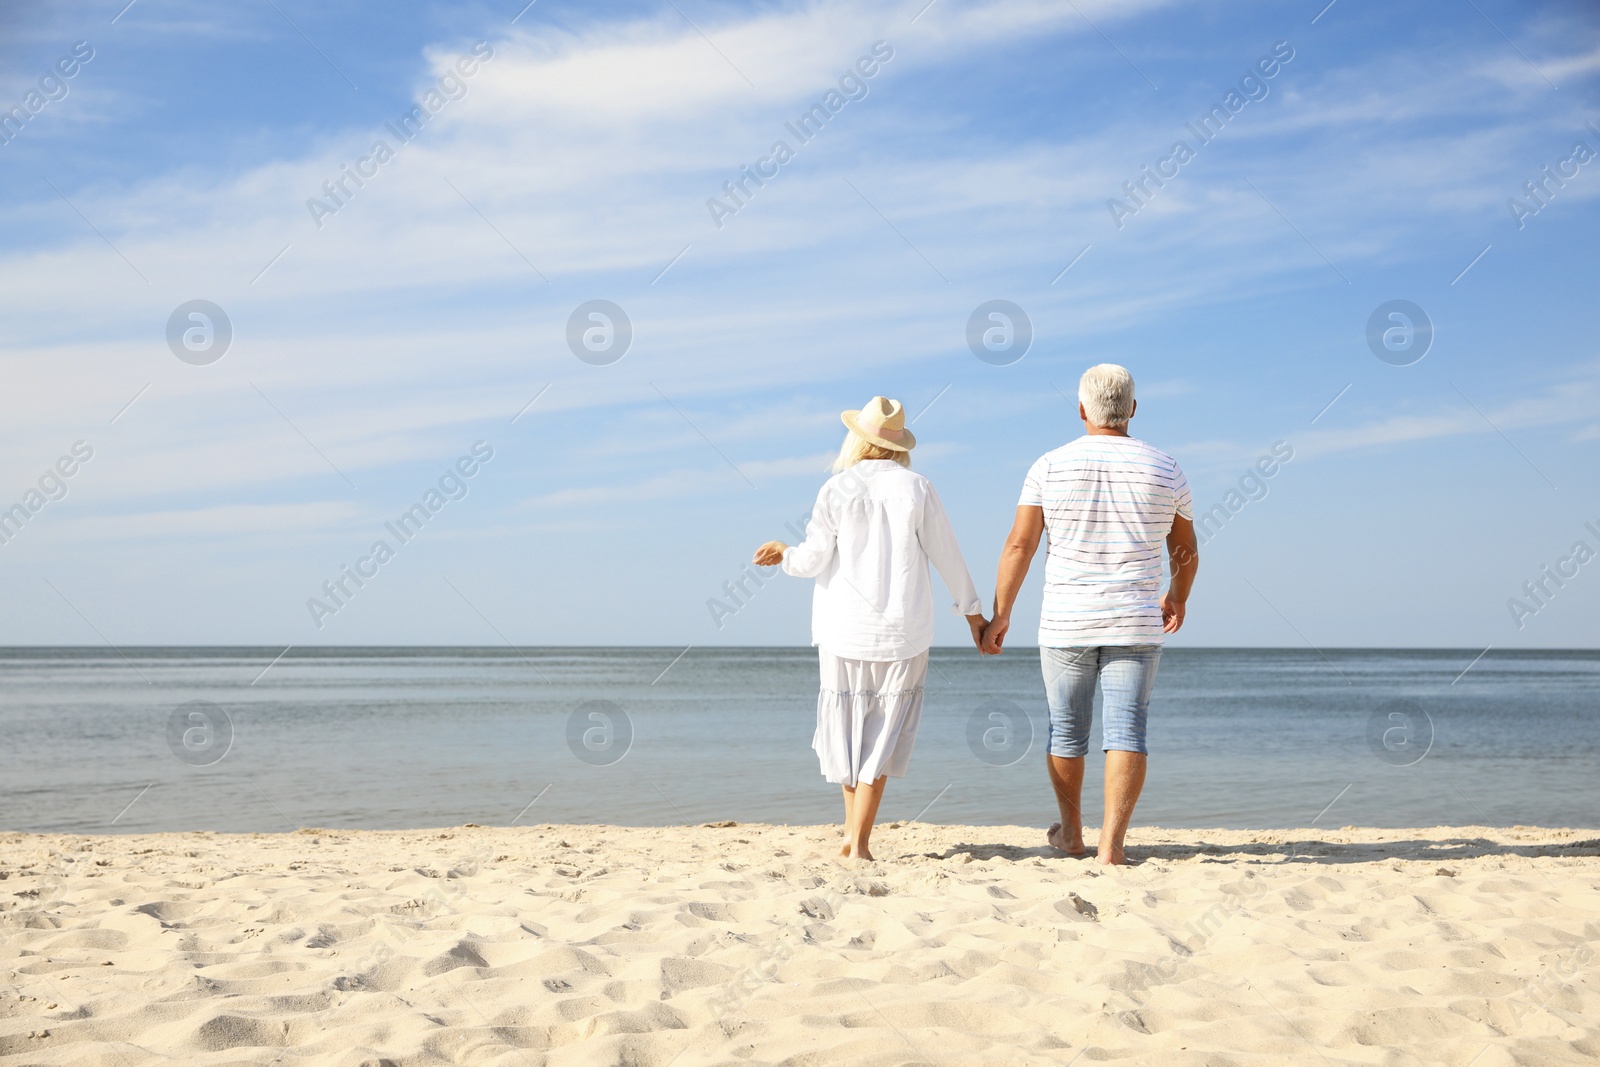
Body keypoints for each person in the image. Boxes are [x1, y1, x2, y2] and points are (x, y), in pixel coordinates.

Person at [981, 364, 1198, 866]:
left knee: (1066, 729)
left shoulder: (1049, 466)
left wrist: (1001, 613)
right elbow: (1184, 549)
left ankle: (1072, 833)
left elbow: (1020, 544)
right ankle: (1112, 847)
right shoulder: (1166, 468)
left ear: (1081, 410)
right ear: (1133, 410)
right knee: (1127, 728)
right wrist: (1178, 595)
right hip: (1136, 619)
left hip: (1066, 621)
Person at [754, 396, 987, 861]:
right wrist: (974, 616)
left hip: (843, 630)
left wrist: (785, 552)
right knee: (881, 734)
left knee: (846, 729)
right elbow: (948, 556)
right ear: (898, 443)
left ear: (857, 439)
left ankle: (852, 835)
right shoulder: (918, 487)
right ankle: (857, 840)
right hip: (904, 631)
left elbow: (814, 559)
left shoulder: (836, 489)